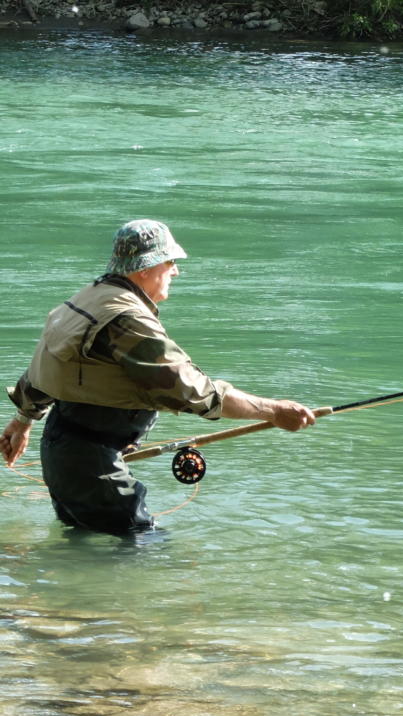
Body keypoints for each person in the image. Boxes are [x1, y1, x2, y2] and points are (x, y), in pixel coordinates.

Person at [0, 219, 315, 535]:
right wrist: (274, 411)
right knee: (145, 550)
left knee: (83, 543)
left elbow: (48, 369)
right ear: (145, 268)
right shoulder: (127, 319)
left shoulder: (89, 297)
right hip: (90, 462)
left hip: (64, 451)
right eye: (170, 262)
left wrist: (23, 421)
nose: (175, 271)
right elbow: (192, 391)